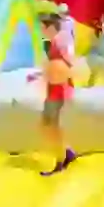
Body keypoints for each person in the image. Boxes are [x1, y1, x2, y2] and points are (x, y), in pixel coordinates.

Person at [39, 14, 77, 176]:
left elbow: (67, 63)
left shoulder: (59, 42)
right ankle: (66, 153)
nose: (41, 30)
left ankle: (60, 160)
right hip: (56, 88)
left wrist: (64, 78)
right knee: (49, 124)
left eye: (42, 27)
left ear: (50, 27)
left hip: (57, 89)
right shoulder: (57, 42)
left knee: (50, 124)